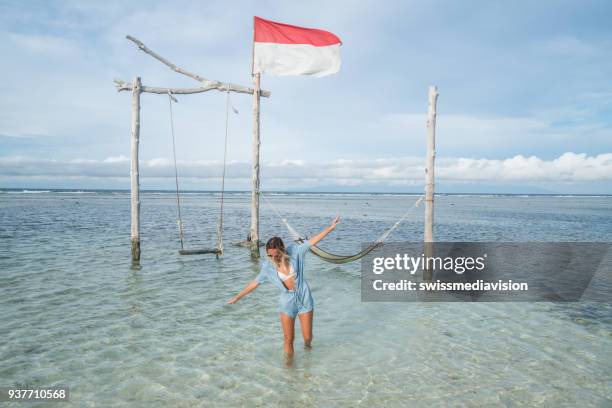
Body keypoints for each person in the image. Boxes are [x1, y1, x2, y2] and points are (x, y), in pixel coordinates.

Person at [227, 216, 341, 357]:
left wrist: (330, 228)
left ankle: (308, 358)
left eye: (276, 255)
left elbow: (312, 242)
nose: (273, 258)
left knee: (307, 337)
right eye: (270, 255)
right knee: (288, 339)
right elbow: (254, 283)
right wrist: (237, 297)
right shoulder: (268, 266)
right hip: (287, 302)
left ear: (282, 250)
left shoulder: (295, 252)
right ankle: (289, 370)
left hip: (304, 297)